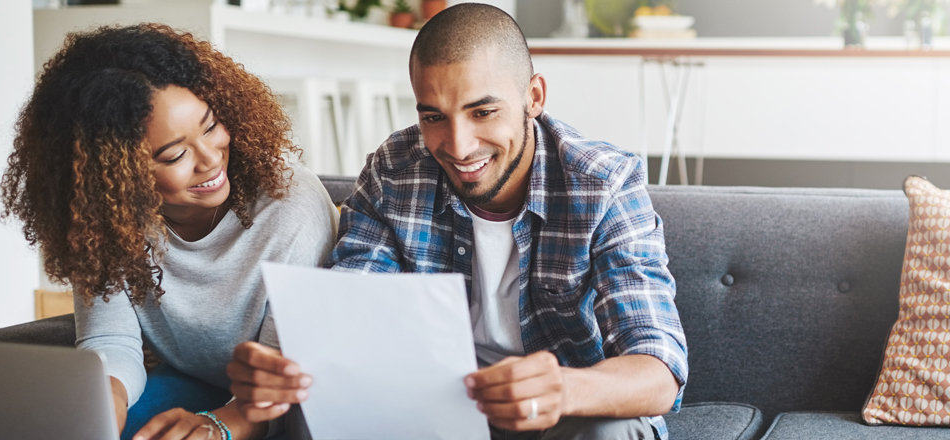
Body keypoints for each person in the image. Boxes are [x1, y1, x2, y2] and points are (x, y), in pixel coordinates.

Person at [226, 3, 688, 439]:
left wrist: (563, 388)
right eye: (434, 117)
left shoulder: (604, 184)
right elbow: (356, 300)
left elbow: (658, 368)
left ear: (534, 97)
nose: (458, 146)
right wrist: (284, 368)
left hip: (561, 420)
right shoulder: (395, 170)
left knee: (614, 429)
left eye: (482, 111)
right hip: (435, 418)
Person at [1, 24, 338, 440]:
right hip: (188, 381)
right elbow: (110, 337)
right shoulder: (107, 219)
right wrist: (105, 397)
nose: (211, 159)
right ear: (117, 172)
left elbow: (279, 373)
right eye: (175, 154)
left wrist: (220, 428)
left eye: (212, 126)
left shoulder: (290, 205)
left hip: (280, 400)